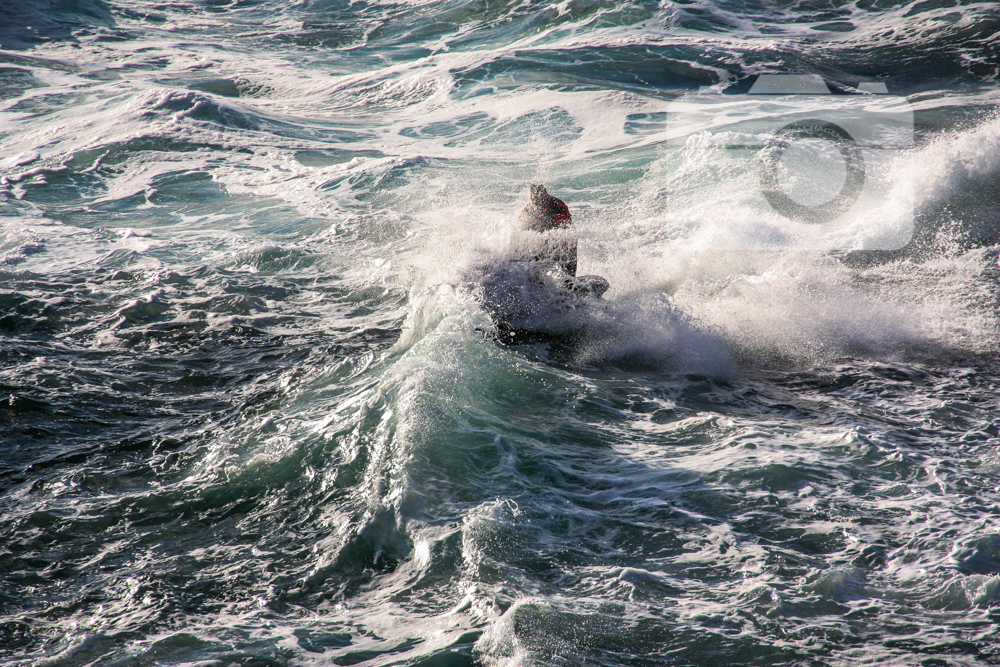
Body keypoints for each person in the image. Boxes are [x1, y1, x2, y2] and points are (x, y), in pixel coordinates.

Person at [516, 183, 577, 276]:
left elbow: (567, 231)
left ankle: (570, 282)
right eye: (533, 199)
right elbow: (520, 229)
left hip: (562, 244)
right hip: (544, 244)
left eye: (538, 199)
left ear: (545, 197)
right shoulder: (530, 209)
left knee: (569, 246)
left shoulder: (557, 206)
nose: (536, 202)